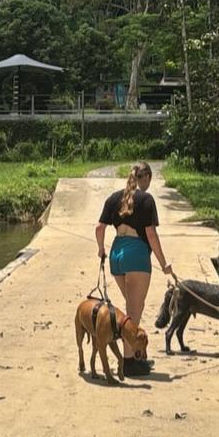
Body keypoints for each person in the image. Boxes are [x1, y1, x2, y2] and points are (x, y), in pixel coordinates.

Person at [95, 161, 173, 376]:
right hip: (136, 255)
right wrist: (164, 264)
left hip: (116, 255)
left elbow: (100, 228)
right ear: (145, 176)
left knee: (131, 308)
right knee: (134, 313)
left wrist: (101, 249)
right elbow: (151, 235)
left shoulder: (113, 198)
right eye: (150, 178)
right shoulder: (146, 199)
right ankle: (129, 362)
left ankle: (131, 358)